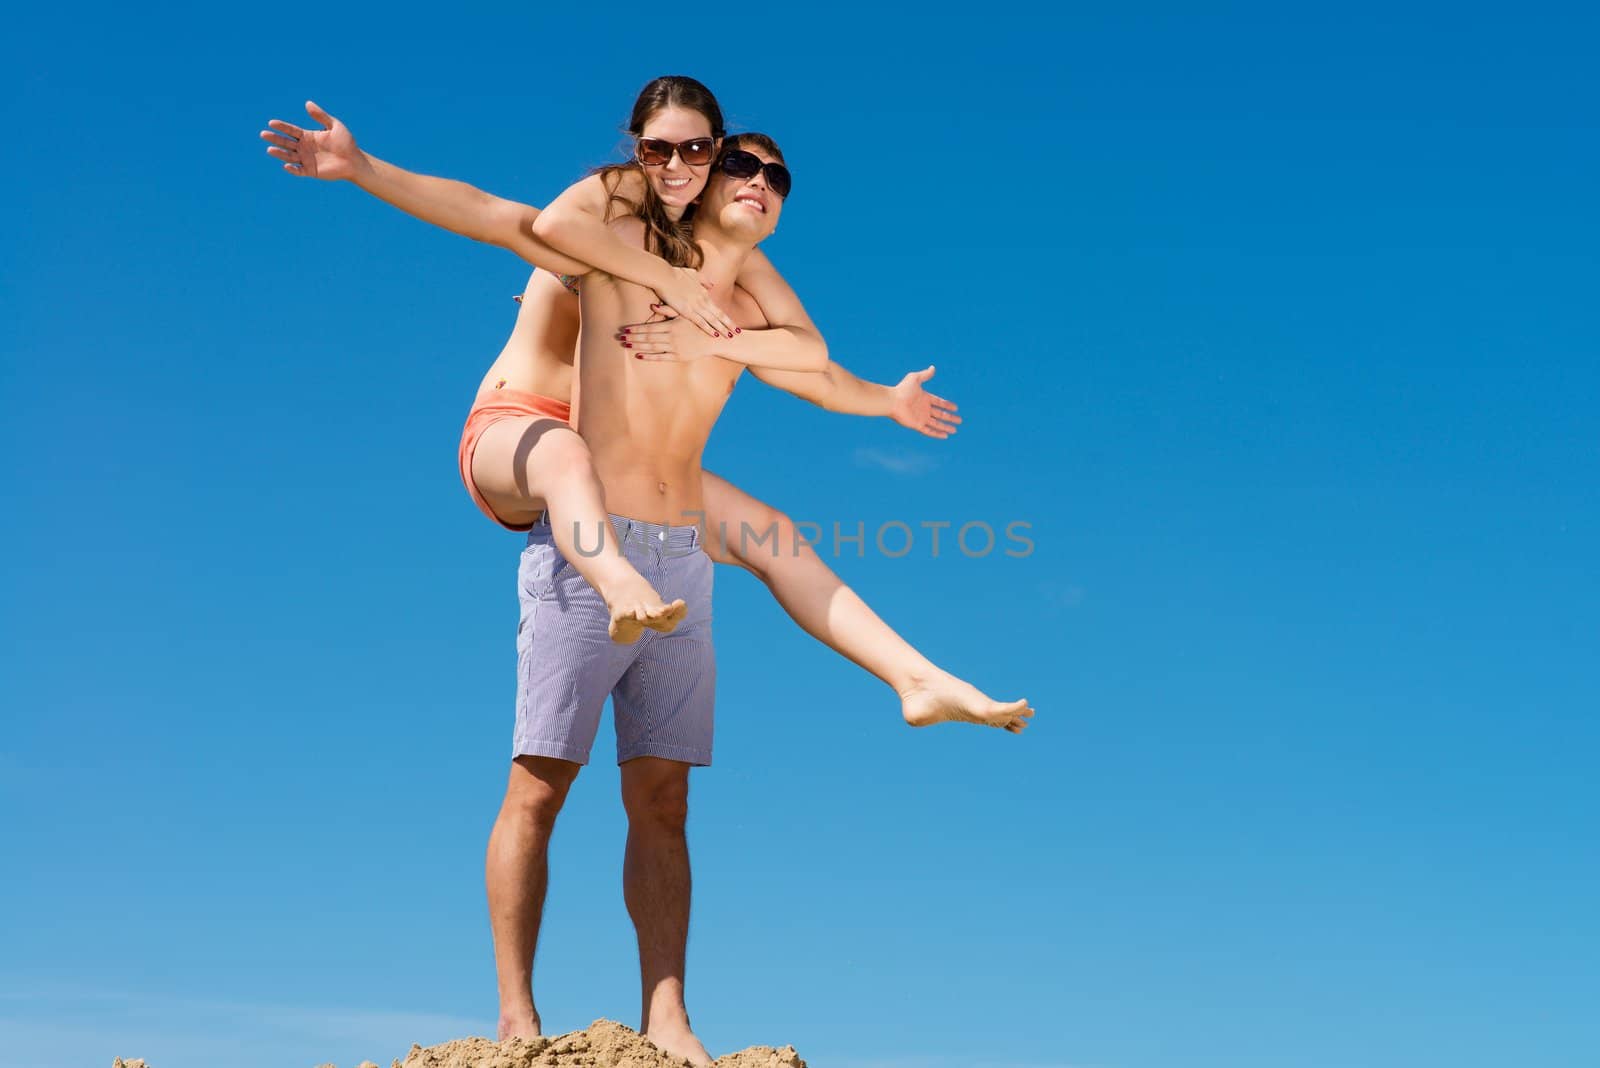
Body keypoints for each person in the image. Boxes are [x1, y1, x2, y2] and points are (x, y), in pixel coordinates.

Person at [261, 78, 1034, 1064]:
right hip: (544, 469)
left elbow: (814, 360)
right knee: (540, 781)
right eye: (714, 159)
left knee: (694, 724)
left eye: (760, 168)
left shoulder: (749, 289)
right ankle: (516, 1016)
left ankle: (914, 681)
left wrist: (881, 399)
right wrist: (362, 168)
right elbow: (505, 218)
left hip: (668, 536)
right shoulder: (612, 237)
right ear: (646, 154)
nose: (728, 175)